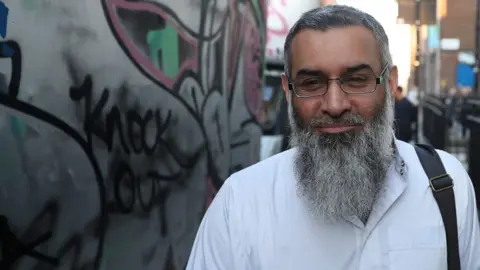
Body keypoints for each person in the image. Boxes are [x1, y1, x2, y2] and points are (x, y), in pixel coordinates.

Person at [186, 5, 480, 269]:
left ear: (390, 83)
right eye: (312, 83)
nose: (335, 105)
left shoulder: (446, 186)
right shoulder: (240, 204)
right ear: (288, 91)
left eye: (356, 80)